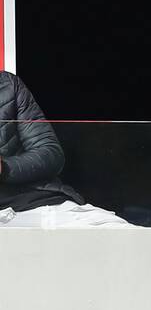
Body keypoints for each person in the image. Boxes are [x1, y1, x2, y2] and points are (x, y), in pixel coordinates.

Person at [0, 72, 133, 227]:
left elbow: (50, 153)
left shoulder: (8, 84)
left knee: (126, 234)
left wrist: (5, 167)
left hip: (35, 203)